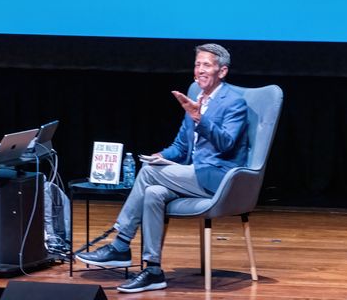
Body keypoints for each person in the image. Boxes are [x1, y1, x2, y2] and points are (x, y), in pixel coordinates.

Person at [77, 44, 249, 293]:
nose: (200, 70)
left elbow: (227, 144)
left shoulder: (234, 103)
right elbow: (180, 147)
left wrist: (200, 118)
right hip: (192, 175)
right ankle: (153, 270)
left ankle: (121, 244)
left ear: (222, 71)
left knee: (148, 174)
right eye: (197, 64)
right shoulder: (196, 100)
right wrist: (159, 156)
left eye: (207, 65)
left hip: (220, 178)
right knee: (153, 192)